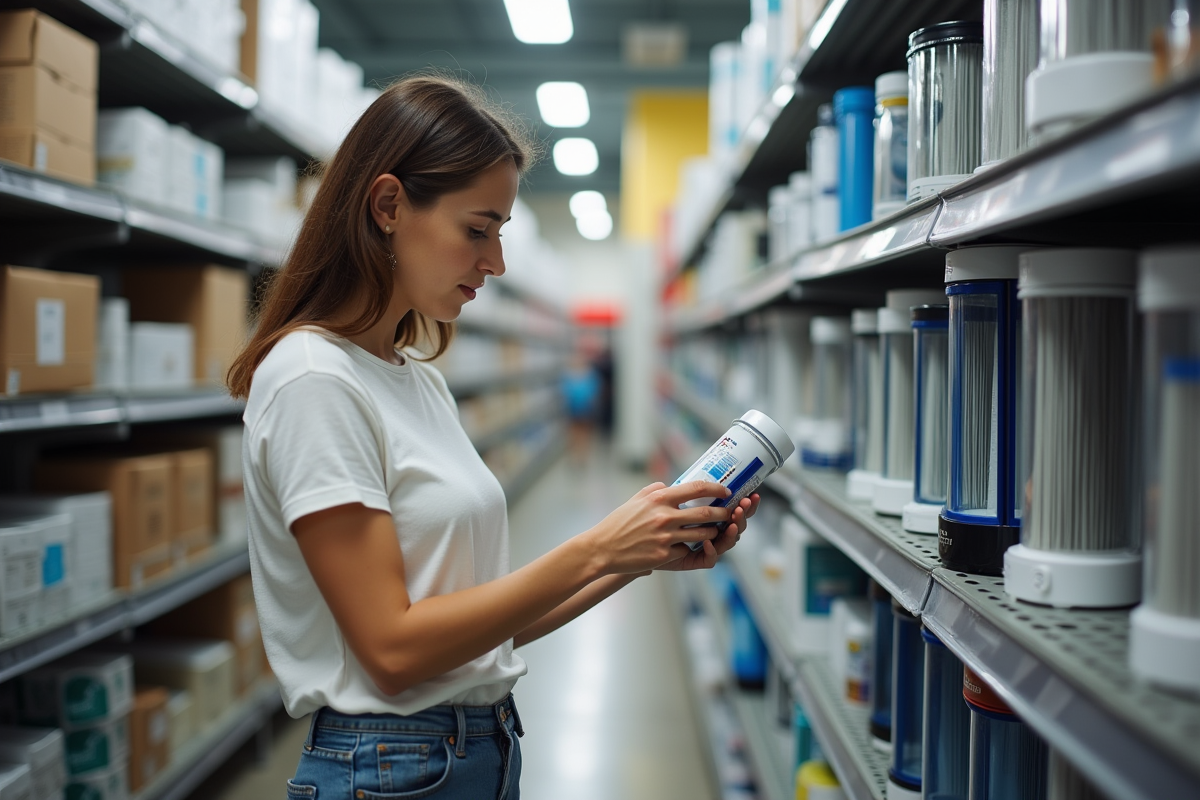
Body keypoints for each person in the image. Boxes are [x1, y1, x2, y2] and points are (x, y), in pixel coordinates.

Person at [226, 75, 760, 800]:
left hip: (472, 753)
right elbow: (391, 649)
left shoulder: (418, 381)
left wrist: (639, 555)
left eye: (500, 233)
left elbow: (479, 628)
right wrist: (598, 546)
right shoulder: (312, 378)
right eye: (477, 229)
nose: (495, 262)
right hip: (392, 767)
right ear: (388, 205)